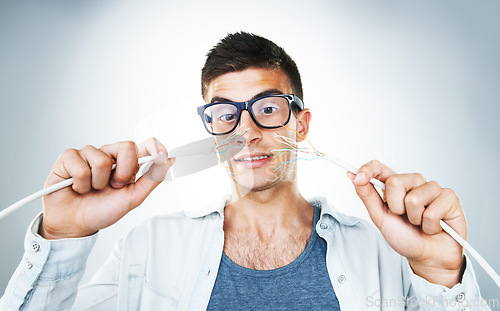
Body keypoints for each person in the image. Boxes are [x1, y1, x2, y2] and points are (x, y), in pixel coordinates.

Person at [0, 32, 489, 310]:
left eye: (268, 108)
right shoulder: (148, 251)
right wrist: (61, 238)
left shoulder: (382, 255)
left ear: (301, 124)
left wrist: (441, 274)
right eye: (225, 112)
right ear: (211, 130)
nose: (248, 131)